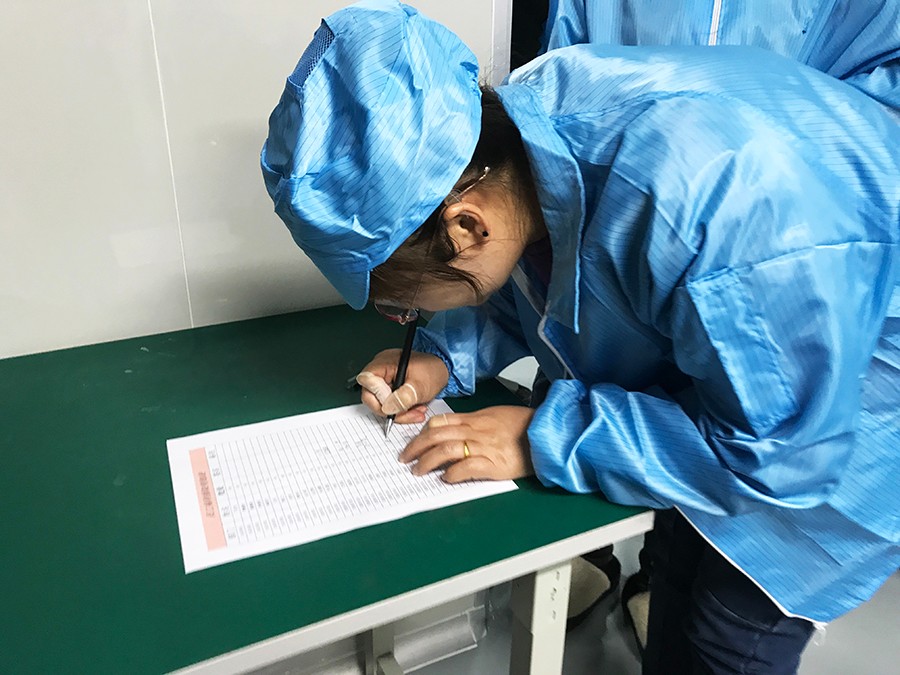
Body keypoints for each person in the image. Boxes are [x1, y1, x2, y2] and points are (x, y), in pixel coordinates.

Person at [261, 1, 900, 672]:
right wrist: (442, 357)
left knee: (725, 628)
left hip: (849, 407)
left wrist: (543, 436)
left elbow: (781, 455)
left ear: (465, 227)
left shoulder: (710, 204)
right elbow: (550, 273)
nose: (404, 315)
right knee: (676, 562)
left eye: (402, 303)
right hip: (738, 363)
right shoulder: (520, 137)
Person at [519, 0, 900, 651]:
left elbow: (784, 454)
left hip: (823, 311)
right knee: (682, 537)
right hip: (690, 317)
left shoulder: (734, 187)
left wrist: (757, 173)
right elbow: (552, 166)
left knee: (734, 616)